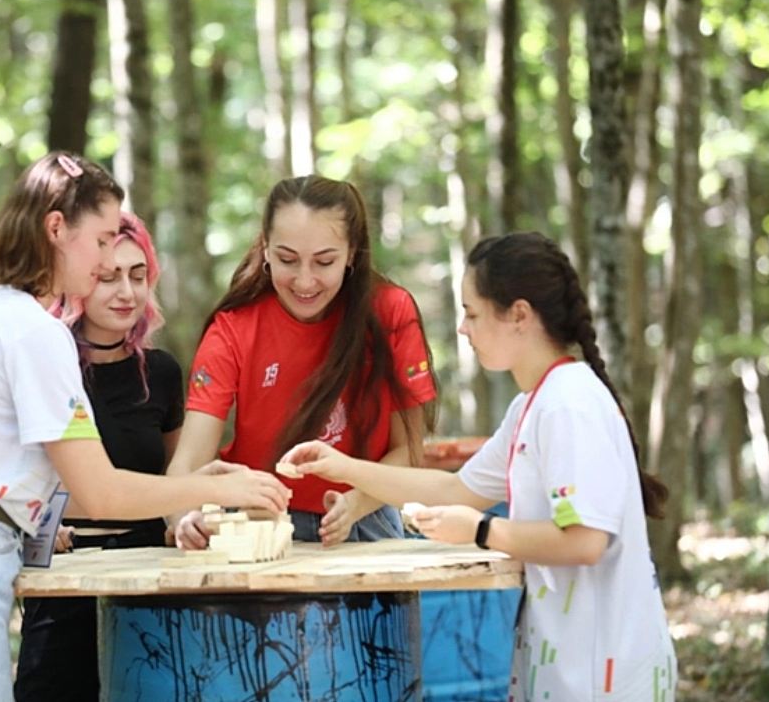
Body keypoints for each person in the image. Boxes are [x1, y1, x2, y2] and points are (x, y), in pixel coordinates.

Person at [0, 152, 290, 702]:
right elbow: (101, 493)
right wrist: (219, 489)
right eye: (102, 240)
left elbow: (35, 484)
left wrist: (196, 485)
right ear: (56, 228)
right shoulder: (38, 332)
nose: (107, 258)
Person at [281, 231, 678, 700]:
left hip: (603, 670)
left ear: (519, 315)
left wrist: (481, 530)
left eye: (471, 313)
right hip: (567, 661)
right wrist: (343, 467)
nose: (462, 329)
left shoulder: (568, 405)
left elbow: (585, 540)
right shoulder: (534, 403)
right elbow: (456, 490)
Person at [167, 174, 437, 548]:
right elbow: (189, 460)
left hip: (365, 520)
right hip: (257, 529)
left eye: (324, 261)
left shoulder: (390, 311)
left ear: (351, 253)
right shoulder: (233, 328)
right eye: (287, 260)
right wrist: (184, 517)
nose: (305, 281)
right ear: (265, 248)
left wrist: (356, 503)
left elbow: (410, 448)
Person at [14, 213, 180, 702]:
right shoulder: (45, 362)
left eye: (137, 275)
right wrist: (40, 520)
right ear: (82, 277)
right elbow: (16, 472)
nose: (126, 292)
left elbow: (176, 479)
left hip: (148, 580)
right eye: (108, 277)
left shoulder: (163, 373)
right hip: (62, 581)